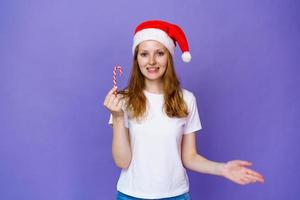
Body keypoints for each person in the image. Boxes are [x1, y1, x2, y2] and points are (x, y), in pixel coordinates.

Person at [104, 20, 264, 200]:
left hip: (176, 195)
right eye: (144, 54)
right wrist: (117, 117)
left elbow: (189, 157)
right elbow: (122, 161)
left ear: (169, 57)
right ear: (137, 59)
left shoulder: (186, 100)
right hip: (131, 195)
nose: (151, 61)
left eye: (159, 53)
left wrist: (223, 169)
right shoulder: (123, 101)